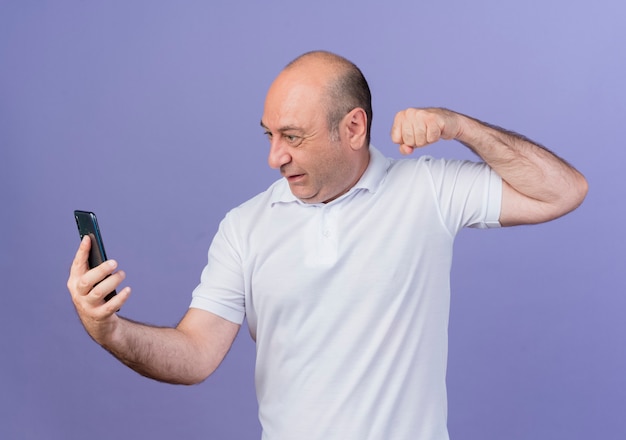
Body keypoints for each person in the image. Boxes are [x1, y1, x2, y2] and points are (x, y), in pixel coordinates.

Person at [67, 51, 588, 439]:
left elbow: (564, 191)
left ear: (354, 128)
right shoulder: (245, 226)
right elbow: (195, 356)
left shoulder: (429, 190)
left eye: (292, 137)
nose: (275, 157)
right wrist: (108, 329)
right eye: (269, 135)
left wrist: (462, 127)